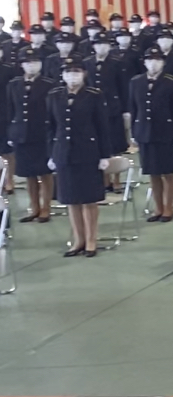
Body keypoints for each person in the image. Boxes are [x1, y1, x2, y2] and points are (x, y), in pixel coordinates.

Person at [48, 59, 111, 257]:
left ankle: (91, 240)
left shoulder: (94, 95)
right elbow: (51, 127)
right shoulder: (54, 96)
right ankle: (78, 240)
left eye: (76, 72)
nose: (72, 76)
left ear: (84, 74)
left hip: (88, 153)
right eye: (68, 72)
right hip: (63, 152)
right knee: (71, 199)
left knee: (88, 200)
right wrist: (52, 153)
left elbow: (102, 127)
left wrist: (104, 155)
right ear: (62, 75)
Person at [129, 47, 173, 222]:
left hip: (166, 132)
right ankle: (158, 207)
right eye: (150, 59)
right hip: (145, 132)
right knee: (153, 172)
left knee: (168, 172)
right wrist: (133, 132)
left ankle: (169, 207)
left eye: (157, 60)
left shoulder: (171, 81)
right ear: (144, 62)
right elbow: (133, 109)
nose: (153, 63)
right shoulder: (136, 82)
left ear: (163, 62)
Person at [9, 47, 53, 223]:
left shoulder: (49, 84)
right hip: (21, 134)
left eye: (34, 62)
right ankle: (34, 207)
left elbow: (52, 111)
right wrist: (11, 133)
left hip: (42, 133)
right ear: (21, 65)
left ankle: (46, 208)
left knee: (45, 172)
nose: (31, 65)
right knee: (28, 174)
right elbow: (11, 111)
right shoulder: (13, 84)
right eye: (27, 63)